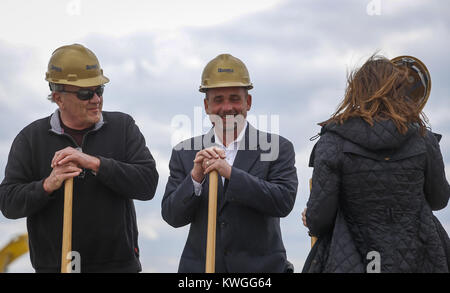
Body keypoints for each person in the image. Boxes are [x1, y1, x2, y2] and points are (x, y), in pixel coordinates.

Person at [0, 44, 159, 272]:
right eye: (85, 93)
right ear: (58, 98)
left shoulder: (123, 127)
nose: (96, 99)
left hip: (118, 268)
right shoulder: (30, 139)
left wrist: (94, 163)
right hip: (56, 268)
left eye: (99, 90)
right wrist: (47, 185)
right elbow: (8, 203)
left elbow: (147, 184)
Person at [302, 55, 450, 273]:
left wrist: (311, 217)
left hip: (351, 259)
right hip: (421, 259)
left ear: (357, 91)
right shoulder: (424, 138)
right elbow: (439, 199)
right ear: (399, 90)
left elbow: (320, 220)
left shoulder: (332, 140)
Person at [162, 54, 298, 272]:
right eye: (218, 100)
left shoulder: (277, 147)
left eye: (234, 98)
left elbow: (283, 202)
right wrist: (195, 178)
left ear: (248, 102)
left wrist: (231, 174)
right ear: (206, 106)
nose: (227, 108)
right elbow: (172, 216)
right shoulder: (184, 152)